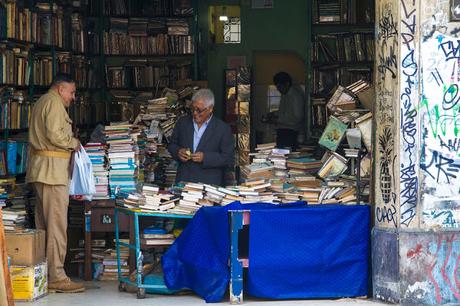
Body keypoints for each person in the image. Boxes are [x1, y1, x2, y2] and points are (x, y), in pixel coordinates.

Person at [26, 74, 84, 293]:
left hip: (41, 170)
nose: (73, 97)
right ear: (61, 89)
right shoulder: (54, 103)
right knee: (57, 226)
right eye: (72, 92)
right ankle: (57, 277)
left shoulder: (43, 101)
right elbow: (55, 134)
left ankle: (43, 274)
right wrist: (74, 143)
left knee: (43, 226)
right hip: (52, 173)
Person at [168, 88, 234, 186]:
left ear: (210, 109)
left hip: (209, 183)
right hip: (184, 180)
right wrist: (178, 152)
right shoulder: (183, 123)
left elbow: (228, 158)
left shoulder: (223, 129)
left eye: (199, 110)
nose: (195, 113)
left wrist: (205, 157)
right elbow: (172, 145)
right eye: (192, 109)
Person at [267, 72, 305, 150]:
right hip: (283, 132)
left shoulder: (296, 96)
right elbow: (283, 112)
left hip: (291, 133)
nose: (278, 89)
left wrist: (277, 120)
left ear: (287, 84)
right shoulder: (285, 94)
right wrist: (273, 114)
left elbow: (297, 118)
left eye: (279, 86)